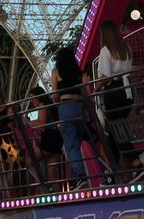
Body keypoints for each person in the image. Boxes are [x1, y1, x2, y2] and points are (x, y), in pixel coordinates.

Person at [94, 22, 136, 176]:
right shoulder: (127, 49)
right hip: (128, 90)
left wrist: (94, 90)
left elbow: (105, 77)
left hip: (114, 91)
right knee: (117, 130)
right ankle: (119, 170)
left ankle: (133, 162)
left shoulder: (106, 51)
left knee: (117, 130)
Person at [50, 46, 89, 186]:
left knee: (70, 146)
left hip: (65, 106)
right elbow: (86, 92)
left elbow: (54, 95)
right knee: (76, 145)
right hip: (79, 107)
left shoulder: (56, 72)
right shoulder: (78, 72)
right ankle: (74, 182)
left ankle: (81, 175)